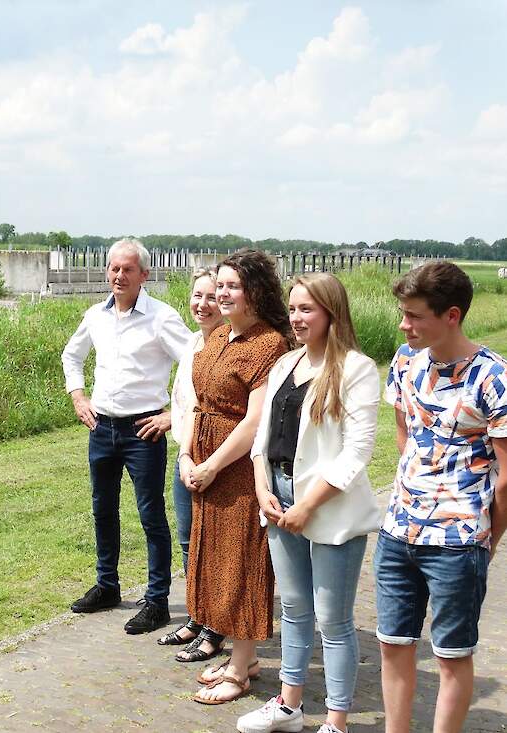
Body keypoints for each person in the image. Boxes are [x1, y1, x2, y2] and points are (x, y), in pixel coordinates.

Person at [237, 273, 380, 733]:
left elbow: (356, 452)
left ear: (331, 314)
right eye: (293, 309)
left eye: (307, 310)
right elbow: (262, 437)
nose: (297, 318)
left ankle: (336, 722)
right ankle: (288, 705)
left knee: (334, 620)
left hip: (328, 507)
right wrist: (263, 489)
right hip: (277, 499)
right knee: (294, 608)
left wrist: (307, 505)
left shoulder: (357, 368)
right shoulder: (285, 364)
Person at [375, 261, 507, 733]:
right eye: (402, 313)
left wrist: (486, 539)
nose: (403, 324)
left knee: (451, 653)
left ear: (452, 315)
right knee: (392, 642)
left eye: (414, 316)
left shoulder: (493, 377)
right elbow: (405, 435)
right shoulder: (404, 361)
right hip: (397, 531)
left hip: (457, 539)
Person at [61, 237, 191, 634]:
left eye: (128, 269)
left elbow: (198, 363)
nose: (119, 275)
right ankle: (107, 585)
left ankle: (157, 601)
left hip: (143, 430)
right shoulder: (96, 316)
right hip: (102, 427)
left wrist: (175, 415)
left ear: (144, 275)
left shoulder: (161, 317)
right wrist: (78, 396)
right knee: (103, 509)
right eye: (114, 268)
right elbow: (72, 355)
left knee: (150, 515)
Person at [176, 249, 289, 704]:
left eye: (231, 286)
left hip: (239, 469)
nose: (221, 293)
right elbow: (196, 401)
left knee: (242, 563)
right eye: (218, 284)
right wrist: (185, 453)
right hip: (203, 461)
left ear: (255, 291)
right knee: (214, 561)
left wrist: (211, 464)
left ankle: (240, 669)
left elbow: (253, 420)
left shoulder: (269, 345)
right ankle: (247, 656)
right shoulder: (219, 335)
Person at [156, 268, 225, 650]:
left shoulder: (232, 348)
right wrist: (183, 453)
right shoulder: (192, 347)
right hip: (185, 456)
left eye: (212, 296)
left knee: (215, 545)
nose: (202, 304)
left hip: (217, 461)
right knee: (188, 541)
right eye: (197, 295)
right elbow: (182, 404)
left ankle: (216, 625)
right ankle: (197, 617)